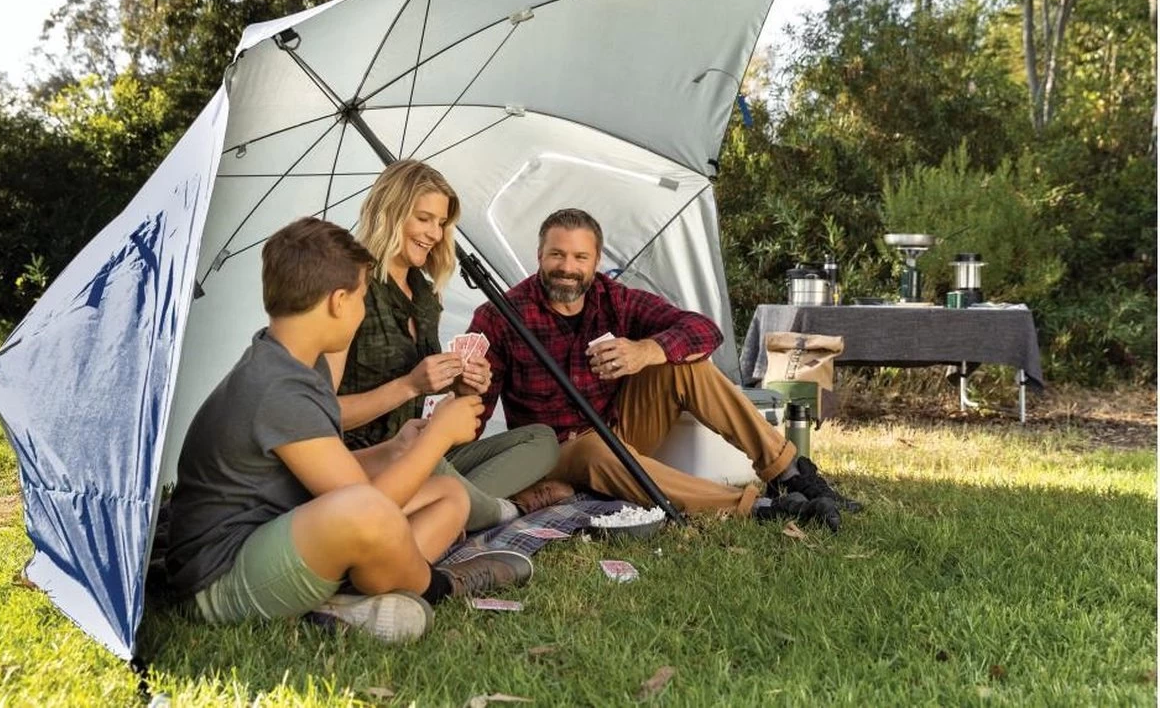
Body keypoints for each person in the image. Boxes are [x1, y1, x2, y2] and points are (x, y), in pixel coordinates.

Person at [165, 217, 533, 645]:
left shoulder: (295, 363)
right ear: (339, 301)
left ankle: (340, 605)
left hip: (280, 535)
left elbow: (328, 474)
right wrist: (438, 437)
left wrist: (396, 448)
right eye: (361, 297)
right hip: (220, 581)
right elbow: (365, 504)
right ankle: (439, 586)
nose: (362, 309)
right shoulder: (276, 386)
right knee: (366, 511)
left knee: (448, 494)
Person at [466, 208, 862, 532]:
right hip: (554, 451)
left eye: (579, 257)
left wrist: (645, 351)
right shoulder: (500, 315)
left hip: (618, 429)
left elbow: (704, 330)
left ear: (596, 261)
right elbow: (473, 411)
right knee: (594, 450)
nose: (567, 267)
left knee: (685, 365)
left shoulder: (613, 299)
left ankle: (788, 473)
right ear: (539, 256)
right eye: (557, 255)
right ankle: (755, 507)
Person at [331, 159, 571, 531]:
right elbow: (322, 414)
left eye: (441, 223)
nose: (435, 233)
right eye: (424, 218)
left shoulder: (425, 294)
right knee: (435, 466)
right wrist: (409, 384)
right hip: (370, 458)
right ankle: (495, 511)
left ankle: (448, 508)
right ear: (391, 212)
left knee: (541, 440)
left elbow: (427, 401)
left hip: (424, 449)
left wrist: (460, 386)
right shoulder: (350, 287)